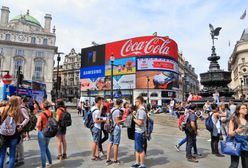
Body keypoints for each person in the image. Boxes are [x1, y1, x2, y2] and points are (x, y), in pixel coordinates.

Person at [0, 96, 22, 168]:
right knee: (12, 154)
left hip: (3, 134)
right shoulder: (17, 110)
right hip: (14, 134)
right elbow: (18, 122)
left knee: (2, 154)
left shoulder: (4, 109)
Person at [228, 104, 248, 168]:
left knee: (246, 165)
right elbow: (230, 133)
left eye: (246, 108)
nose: (246, 109)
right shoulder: (234, 120)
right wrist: (236, 131)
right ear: (238, 110)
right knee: (234, 165)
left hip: (246, 144)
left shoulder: (247, 119)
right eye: (243, 108)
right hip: (236, 144)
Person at [106, 99, 124, 165]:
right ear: (120, 103)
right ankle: (115, 160)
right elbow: (117, 121)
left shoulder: (112, 109)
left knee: (110, 142)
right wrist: (124, 119)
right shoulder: (117, 111)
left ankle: (108, 159)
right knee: (116, 144)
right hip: (116, 128)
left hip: (111, 128)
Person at [131, 96, 147, 168]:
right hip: (137, 131)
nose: (135, 103)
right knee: (137, 148)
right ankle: (137, 162)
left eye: (136, 101)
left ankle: (142, 164)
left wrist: (133, 119)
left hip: (140, 132)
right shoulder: (139, 110)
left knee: (140, 149)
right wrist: (134, 115)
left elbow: (140, 122)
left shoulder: (141, 111)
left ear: (139, 102)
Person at [37, 100, 53, 168]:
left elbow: (38, 124)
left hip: (42, 132)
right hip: (48, 132)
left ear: (43, 106)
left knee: (42, 150)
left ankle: (43, 166)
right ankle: (50, 162)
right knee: (46, 148)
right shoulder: (51, 113)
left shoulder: (41, 114)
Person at [15, 97, 30, 167]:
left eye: (18, 100)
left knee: (19, 145)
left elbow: (27, 118)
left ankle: (21, 159)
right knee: (16, 145)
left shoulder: (22, 109)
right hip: (15, 129)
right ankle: (16, 158)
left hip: (19, 129)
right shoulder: (15, 108)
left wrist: (21, 125)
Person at [91, 97, 106, 161]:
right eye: (101, 101)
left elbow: (96, 117)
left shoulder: (93, 108)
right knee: (95, 142)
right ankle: (93, 156)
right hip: (97, 127)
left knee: (96, 142)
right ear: (99, 101)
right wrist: (104, 120)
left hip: (94, 127)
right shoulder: (96, 110)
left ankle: (97, 154)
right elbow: (96, 120)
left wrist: (101, 108)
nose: (102, 102)